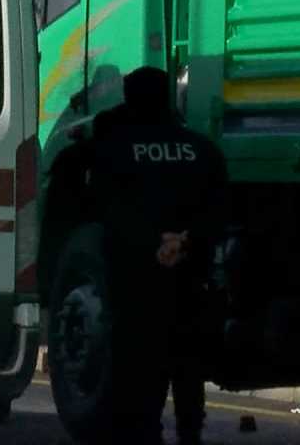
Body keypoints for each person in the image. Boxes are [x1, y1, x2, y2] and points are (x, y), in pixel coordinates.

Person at [87, 66, 228, 445]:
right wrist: (185, 241)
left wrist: (154, 242)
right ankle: (189, 432)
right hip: (189, 279)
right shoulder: (201, 149)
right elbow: (219, 210)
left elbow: (107, 210)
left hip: (135, 280)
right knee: (186, 366)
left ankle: (144, 433)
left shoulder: (115, 149)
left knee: (138, 369)